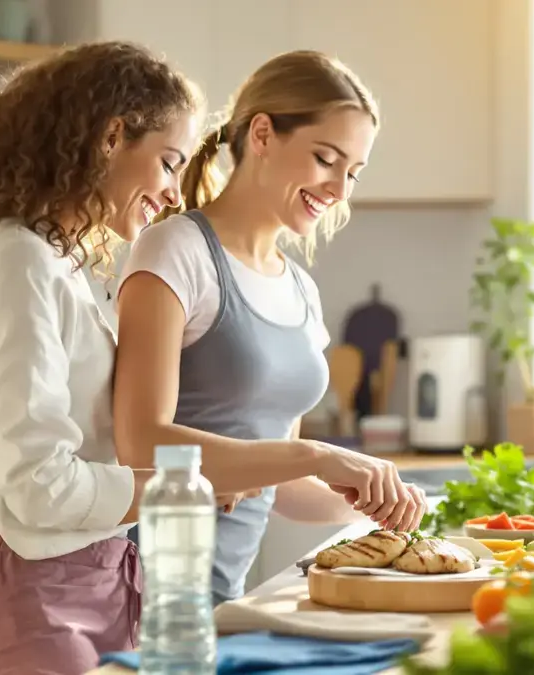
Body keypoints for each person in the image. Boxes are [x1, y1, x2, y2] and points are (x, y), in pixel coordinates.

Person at [0, 42, 226, 674]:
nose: (171, 193)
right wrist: (173, 490)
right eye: (168, 162)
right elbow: (36, 484)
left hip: (94, 591)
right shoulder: (17, 259)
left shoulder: (62, 264)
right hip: (26, 605)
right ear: (112, 136)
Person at [112, 50, 428, 606]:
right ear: (262, 134)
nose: (340, 189)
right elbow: (141, 441)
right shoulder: (176, 251)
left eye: (352, 172)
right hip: (142, 596)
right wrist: (319, 456)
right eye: (326, 158)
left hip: (222, 596)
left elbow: (277, 484)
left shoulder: (301, 289)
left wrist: (376, 500)